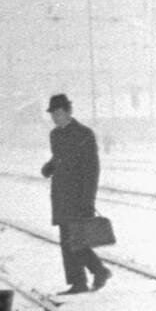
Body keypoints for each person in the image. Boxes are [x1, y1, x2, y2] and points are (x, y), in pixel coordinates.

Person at [43, 93, 110, 294]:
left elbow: (92, 169)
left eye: (59, 112)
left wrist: (88, 199)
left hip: (79, 195)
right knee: (67, 240)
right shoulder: (54, 135)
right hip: (60, 194)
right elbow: (59, 158)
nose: (56, 117)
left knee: (75, 239)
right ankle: (79, 281)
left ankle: (96, 272)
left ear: (69, 111)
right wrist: (49, 167)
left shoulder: (85, 134)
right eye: (53, 113)